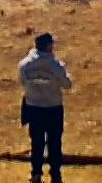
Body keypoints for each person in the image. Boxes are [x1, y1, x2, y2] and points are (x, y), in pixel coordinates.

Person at [19, 32, 72, 183]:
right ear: (49, 46)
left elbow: (23, 82)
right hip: (53, 108)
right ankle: (55, 174)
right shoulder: (56, 66)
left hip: (33, 107)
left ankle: (36, 173)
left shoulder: (24, 65)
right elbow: (67, 85)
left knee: (36, 142)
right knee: (54, 142)